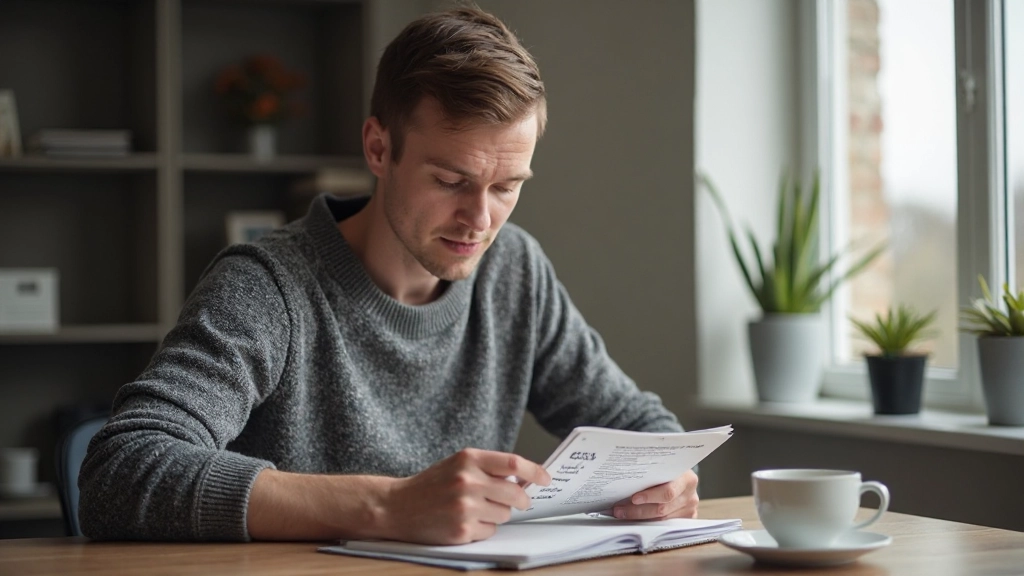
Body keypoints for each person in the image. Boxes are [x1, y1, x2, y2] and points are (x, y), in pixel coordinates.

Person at [79, 6, 698, 543]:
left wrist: (665, 479)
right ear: (378, 149)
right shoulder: (267, 286)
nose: (479, 219)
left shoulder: (514, 270)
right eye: (450, 181)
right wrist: (388, 506)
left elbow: (642, 428)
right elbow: (120, 470)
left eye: (507, 187)